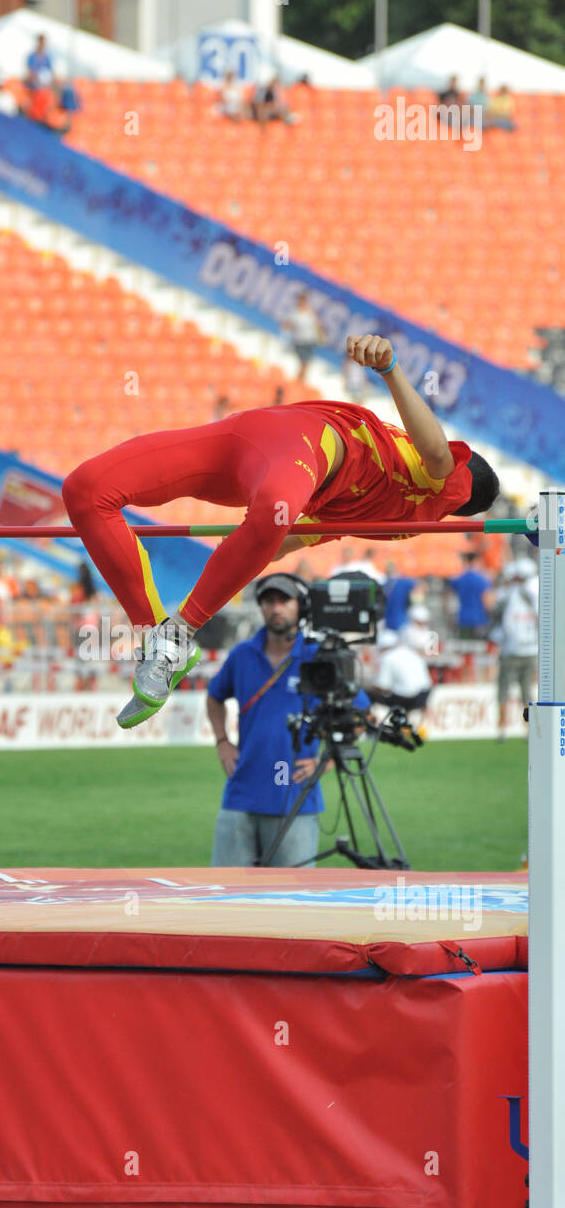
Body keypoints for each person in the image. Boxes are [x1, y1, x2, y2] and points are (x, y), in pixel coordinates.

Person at [61, 333, 500, 730]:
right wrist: (389, 368)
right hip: (248, 441)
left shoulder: (413, 511)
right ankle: (160, 636)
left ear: (456, 499)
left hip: (296, 458)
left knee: (274, 513)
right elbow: (439, 452)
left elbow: (285, 541)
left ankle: (176, 636)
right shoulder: (431, 473)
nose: (444, 467)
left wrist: (249, 547)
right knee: (86, 489)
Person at [207, 572, 369, 867]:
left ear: (302, 607)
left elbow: (361, 714)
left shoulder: (321, 657)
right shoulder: (242, 654)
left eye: (284, 600)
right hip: (241, 794)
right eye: (269, 601)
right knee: (224, 896)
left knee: (294, 901)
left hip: (296, 797)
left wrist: (330, 759)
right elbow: (214, 695)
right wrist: (222, 741)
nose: (276, 608)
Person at [491, 558, 537, 739]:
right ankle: (526, 731)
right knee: (526, 692)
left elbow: (495, 612)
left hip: (511, 650)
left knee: (506, 690)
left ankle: (503, 730)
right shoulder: (536, 591)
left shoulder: (508, 593)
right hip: (529, 650)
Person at [370, 628, 432, 720]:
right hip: (424, 694)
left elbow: (382, 685)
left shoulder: (387, 657)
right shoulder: (411, 652)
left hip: (406, 698)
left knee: (369, 695)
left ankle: (369, 723)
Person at [448, 549, 492, 639]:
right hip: (479, 620)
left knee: (464, 648)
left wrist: (451, 616)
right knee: (479, 649)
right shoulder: (482, 579)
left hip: (462, 619)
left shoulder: (459, 579)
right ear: (476, 561)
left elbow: (449, 597)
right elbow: (487, 601)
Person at [285, 291, 324, 383]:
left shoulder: (310, 312)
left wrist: (320, 336)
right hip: (299, 340)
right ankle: (299, 380)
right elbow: (287, 325)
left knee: (305, 362)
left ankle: (301, 380)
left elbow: (317, 325)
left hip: (308, 341)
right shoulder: (294, 313)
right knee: (301, 361)